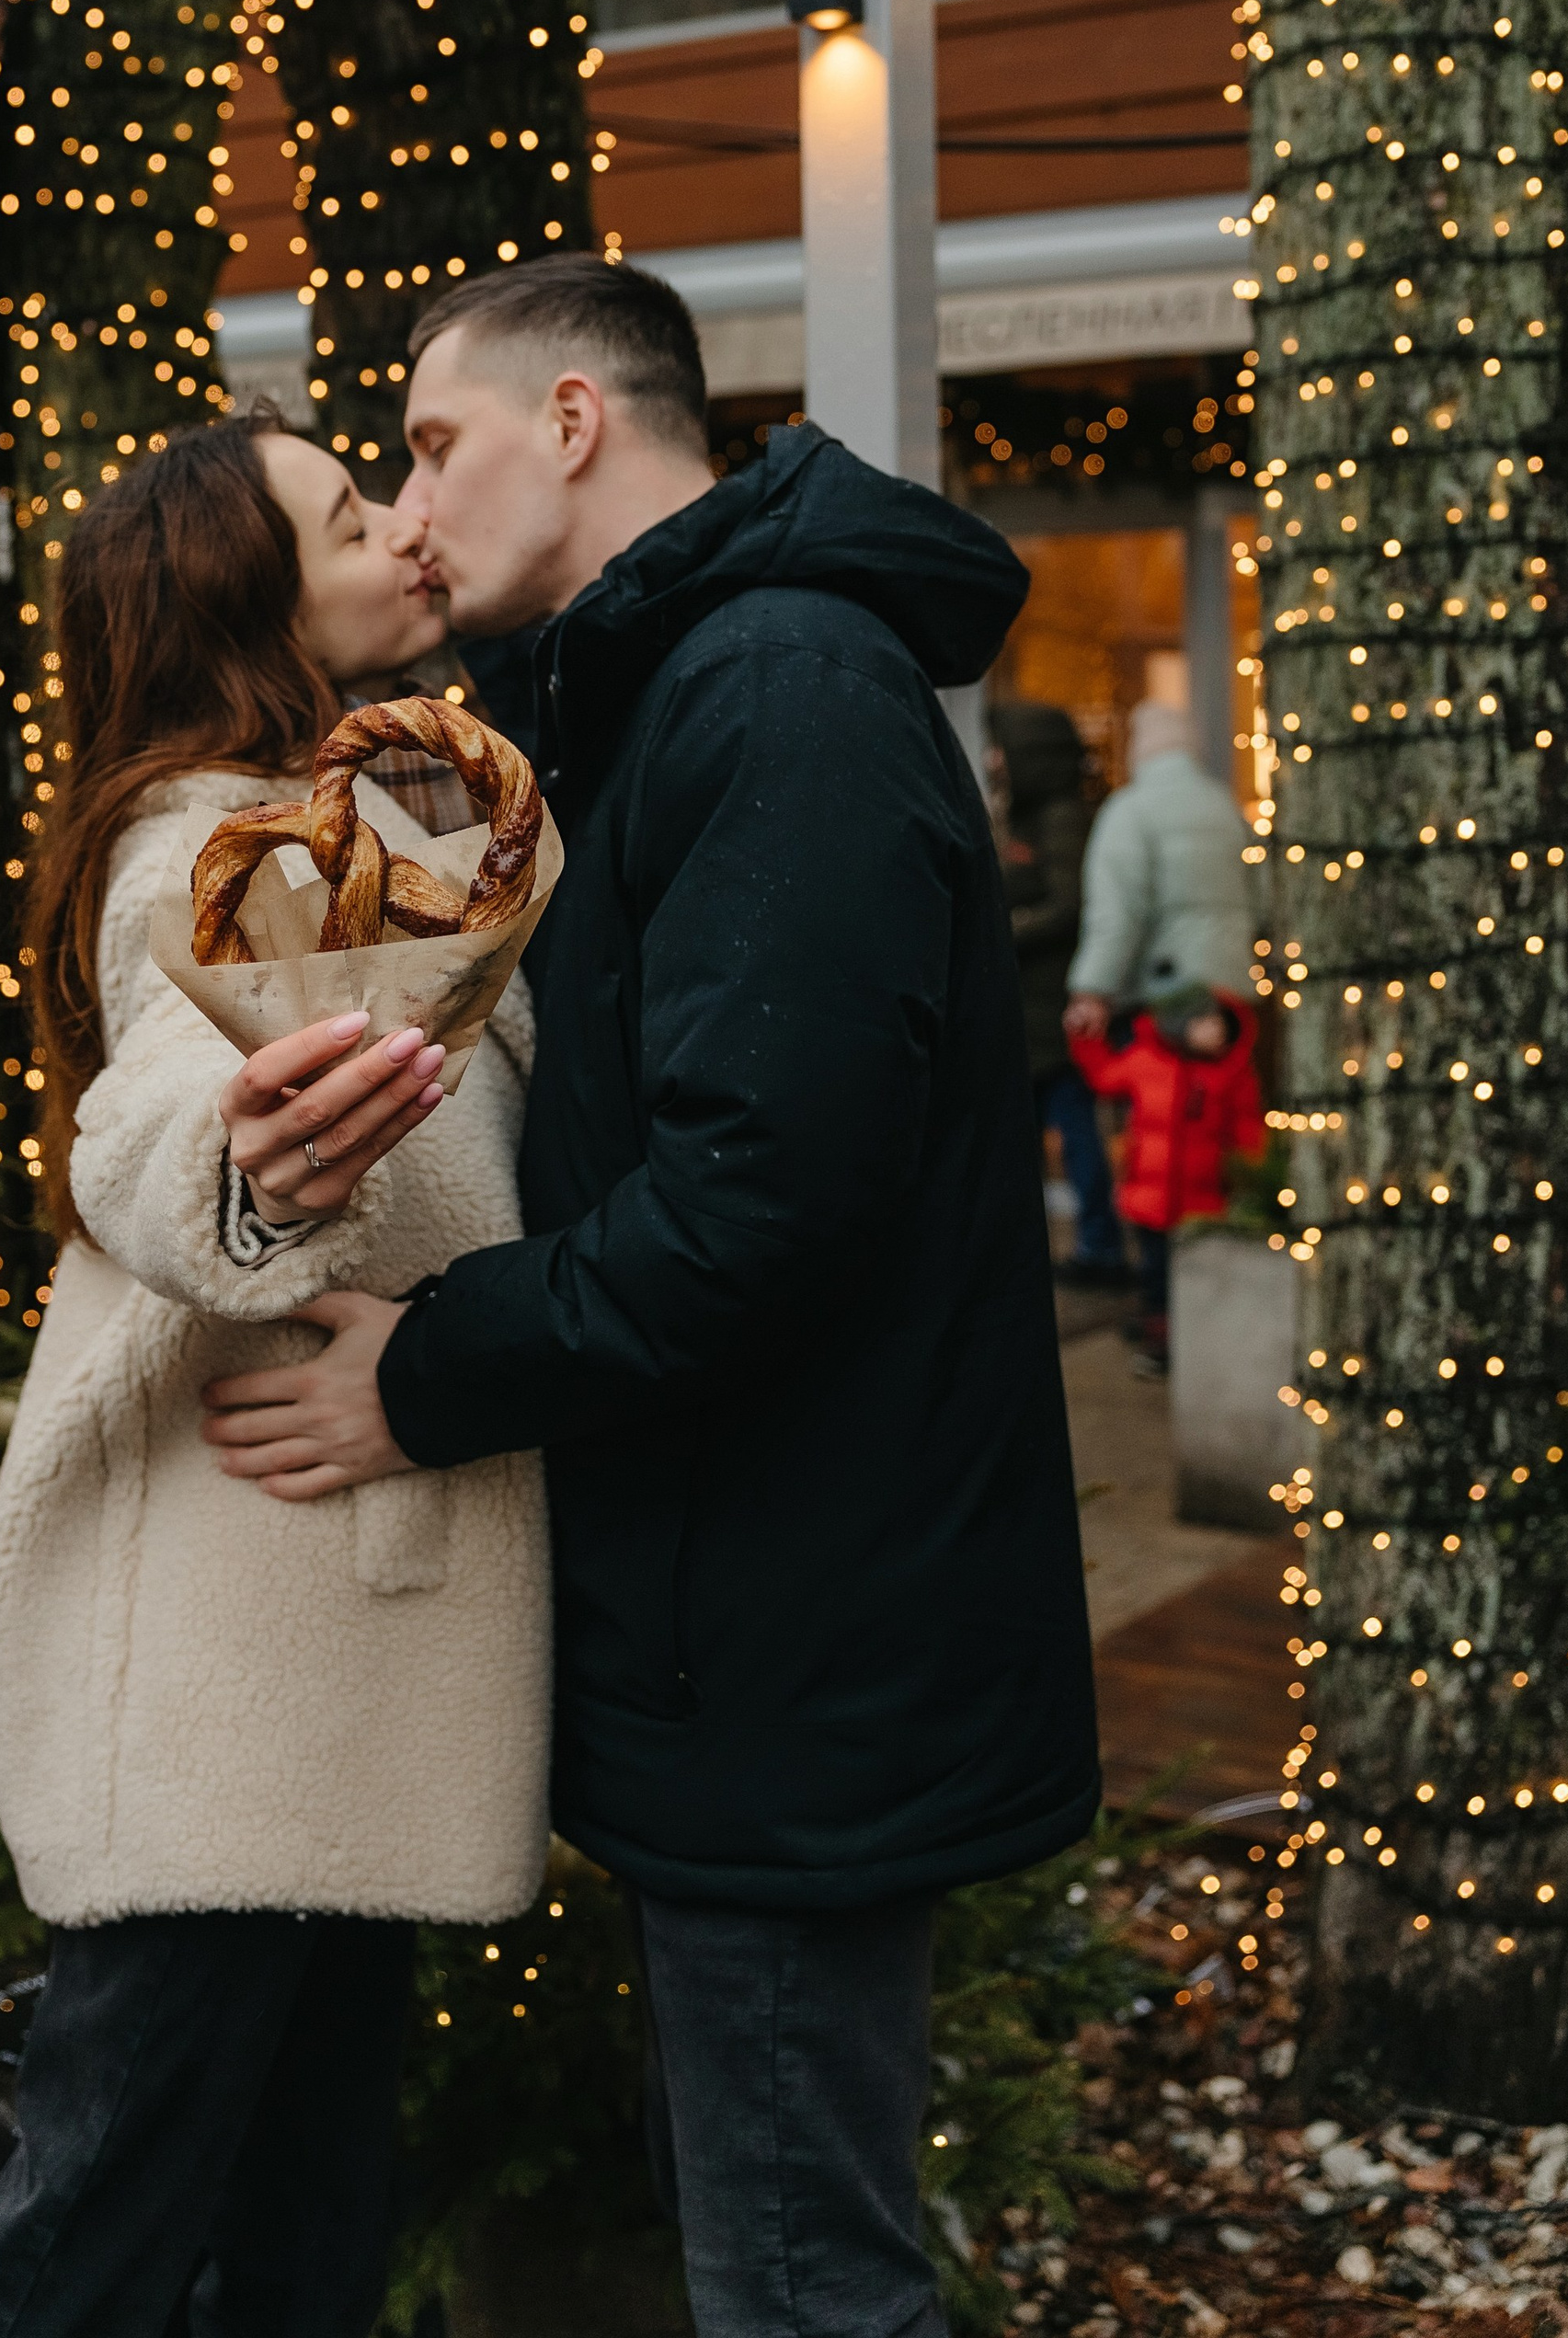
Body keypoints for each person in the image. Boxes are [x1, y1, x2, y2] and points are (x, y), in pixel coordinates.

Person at [198, 258, 1098, 2338]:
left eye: (434, 445)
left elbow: (757, 1205)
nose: (411, 510)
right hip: (754, 1622)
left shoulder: (772, 689)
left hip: (795, 1631)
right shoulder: (657, 686)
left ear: (578, 423)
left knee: (800, 2285)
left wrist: (425, 1377)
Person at [0, 414, 548, 2338]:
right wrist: (243, 1170)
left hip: (329, 1616)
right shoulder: (199, 841)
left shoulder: (359, 810)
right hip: (234, 1639)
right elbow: (171, 1107)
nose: (403, 534)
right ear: (249, 597)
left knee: (294, 2201)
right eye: (351, 517)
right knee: (102, 2216)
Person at [990, 695, 1124, 1278]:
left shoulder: (1062, 817)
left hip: (1055, 1007)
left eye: (1003, 750)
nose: (994, 761)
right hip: (1030, 1006)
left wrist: (997, 933)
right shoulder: (1022, 816)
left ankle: (1099, 1247)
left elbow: (1066, 904)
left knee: (1074, 1132)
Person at [1064, 983, 1263, 1374]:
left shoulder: (1234, 1074)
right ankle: (1159, 1338)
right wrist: (1085, 1038)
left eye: (1219, 1023)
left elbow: (1247, 1132)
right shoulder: (1145, 1061)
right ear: (1179, 1027)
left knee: (1196, 1275)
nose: (1216, 1032)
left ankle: (1190, 1335)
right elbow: (1104, 1077)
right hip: (1149, 1197)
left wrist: (1249, 1180)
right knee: (1154, 1273)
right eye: (1204, 1023)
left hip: (1202, 1202)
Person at [1063, 695, 1253, 1037]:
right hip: (1231, 992)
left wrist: (1091, 988)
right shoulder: (1226, 806)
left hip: (1162, 997)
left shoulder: (1128, 811)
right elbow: (1262, 899)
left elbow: (1116, 912)